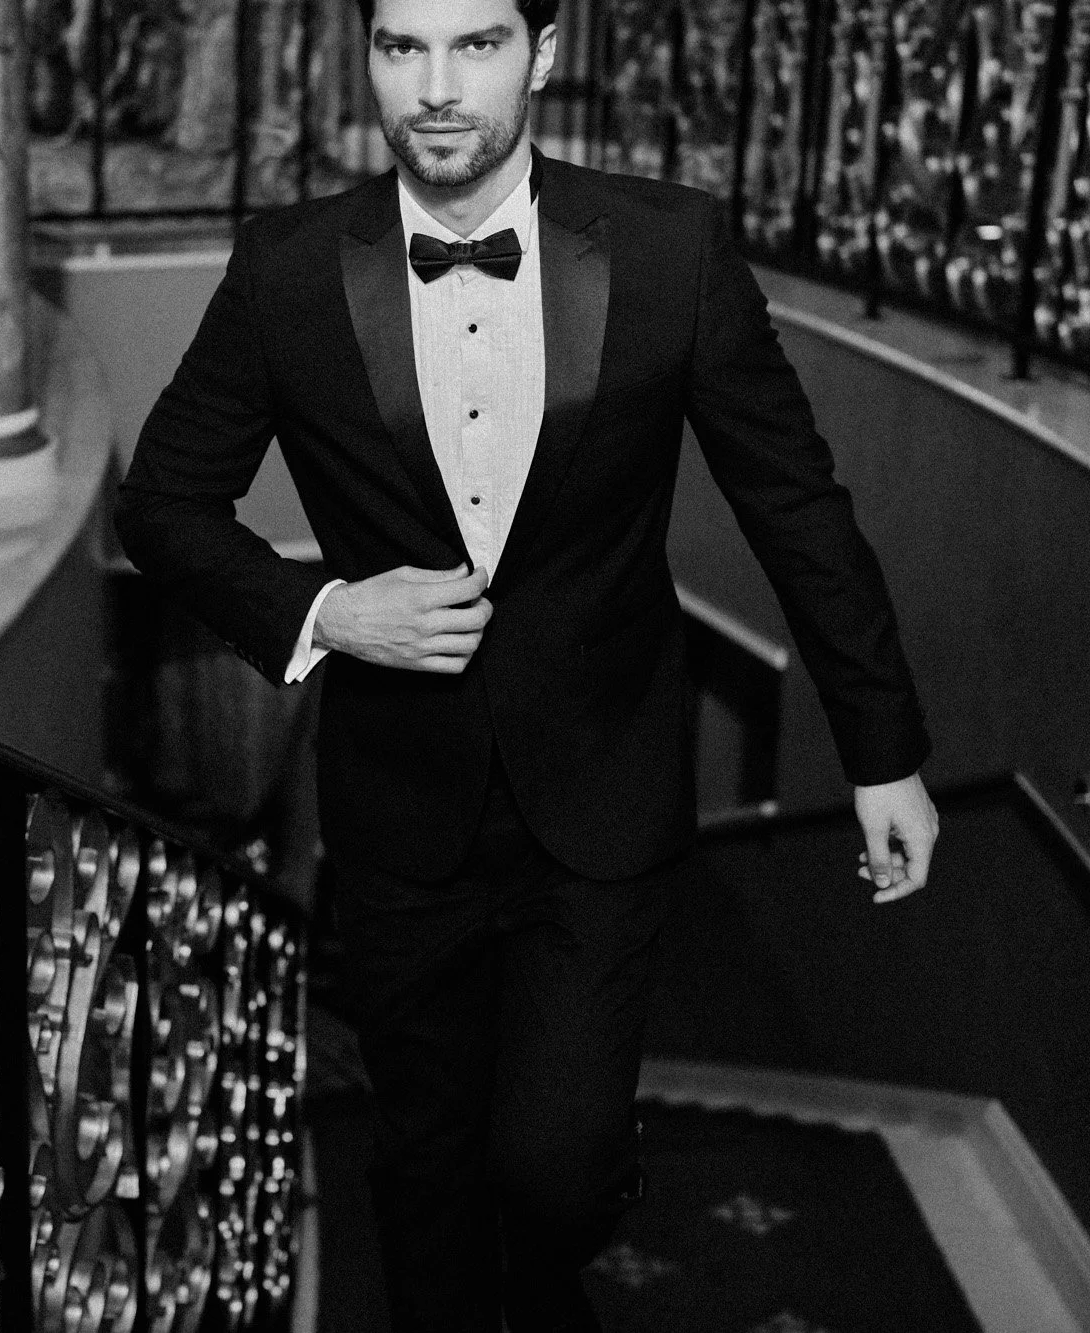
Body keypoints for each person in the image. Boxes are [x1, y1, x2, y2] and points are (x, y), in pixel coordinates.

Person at [111, 0, 941, 1326]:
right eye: (402, 47)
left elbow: (799, 507)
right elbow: (161, 509)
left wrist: (882, 751)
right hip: (399, 803)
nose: (435, 86)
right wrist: (330, 612)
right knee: (427, 1164)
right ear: (371, 56)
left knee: (555, 1174)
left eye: (477, 43)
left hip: (601, 788)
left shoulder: (673, 251)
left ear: (542, 56)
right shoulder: (287, 267)